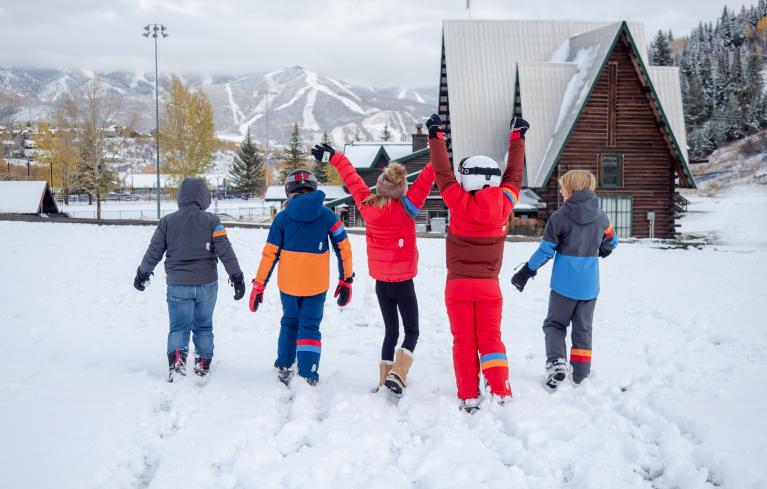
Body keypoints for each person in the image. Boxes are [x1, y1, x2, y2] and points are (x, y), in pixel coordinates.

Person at [312, 142, 435, 395]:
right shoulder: (407, 209)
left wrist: (334, 157)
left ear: (379, 187)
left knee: (391, 330)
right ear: (401, 190)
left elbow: (353, 178)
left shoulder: (367, 207)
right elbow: (427, 177)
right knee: (412, 331)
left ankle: (383, 380)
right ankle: (398, 374)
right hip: (403, 283)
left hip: (382, 284)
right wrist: (440, 150)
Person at [426, 113, 528, 413]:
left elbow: (442, 173)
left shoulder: (458, 202)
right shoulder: (506, 202)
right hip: (489, 287)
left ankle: (469, 395)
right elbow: (514, 175)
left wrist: (436, 136)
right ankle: (500, 389)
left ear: (467, 177)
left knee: (464, 342)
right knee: (491, 338)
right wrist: (517, 138)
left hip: (457, 285)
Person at [511, 170, 618, 390]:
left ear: (571, 189)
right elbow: (612, 241)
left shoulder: (559, 217)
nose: (560, 191)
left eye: (562, 187)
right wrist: (602, 249)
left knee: (555, 324)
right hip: (590, 285)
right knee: (583, 329)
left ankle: (557, 364)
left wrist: (526, 271)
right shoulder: (602, 217)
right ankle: (580, 374)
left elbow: (546, 251)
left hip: (564, 285)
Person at [249, 168, 354, 386]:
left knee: (289, 322)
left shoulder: (282, 218)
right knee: (310, 326)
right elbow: (343, 248)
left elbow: (270, 254)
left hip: (288, 285)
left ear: (288, 190)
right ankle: (308, 373)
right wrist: (346, 280)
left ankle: (285, 365)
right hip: (317, 285)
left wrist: (259, 285)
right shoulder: (328, 216)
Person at [134, 177, 245, 382]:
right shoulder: (212, 221)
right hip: (207, 284)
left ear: (181, 197)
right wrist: (236, 277)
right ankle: (202, 364)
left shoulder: (167, 222)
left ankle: (177, 363)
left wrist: (142, 274)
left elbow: (154, 251)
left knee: (179, 327)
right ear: (204, 197)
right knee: (203, 326)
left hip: (177, 285)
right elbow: (225, 251)